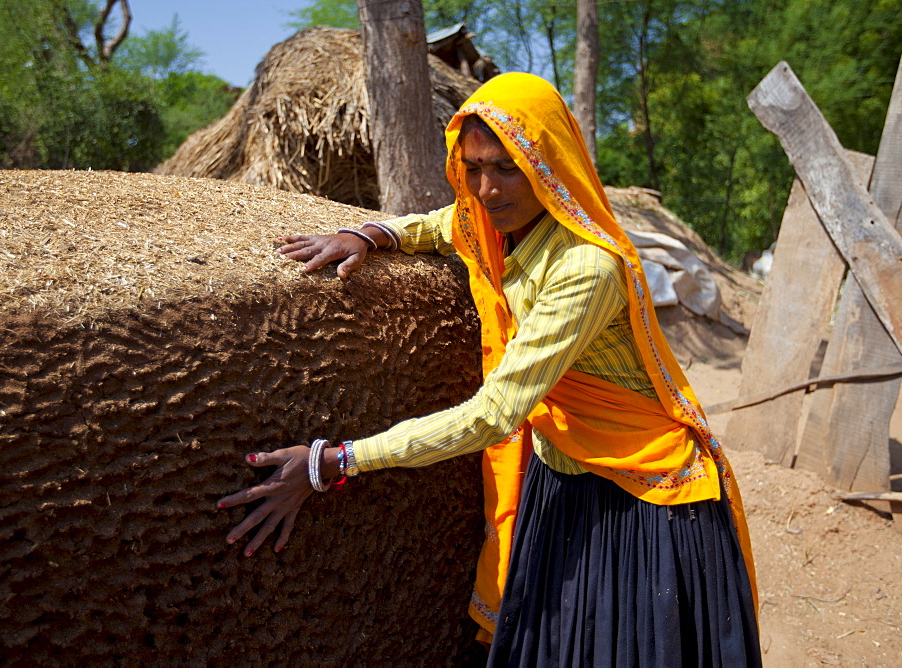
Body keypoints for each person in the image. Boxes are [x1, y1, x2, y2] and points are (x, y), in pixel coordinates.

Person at [217, 72, 762, 666]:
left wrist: (334, 461)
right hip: (565, 476)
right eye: (474, 168)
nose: (487, 188)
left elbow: (495, 414)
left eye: (507, 167)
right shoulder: (494, 227)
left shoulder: (584, 269)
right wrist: (367, 234)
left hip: (639, 501)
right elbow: (437, 223)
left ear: (549, 165)